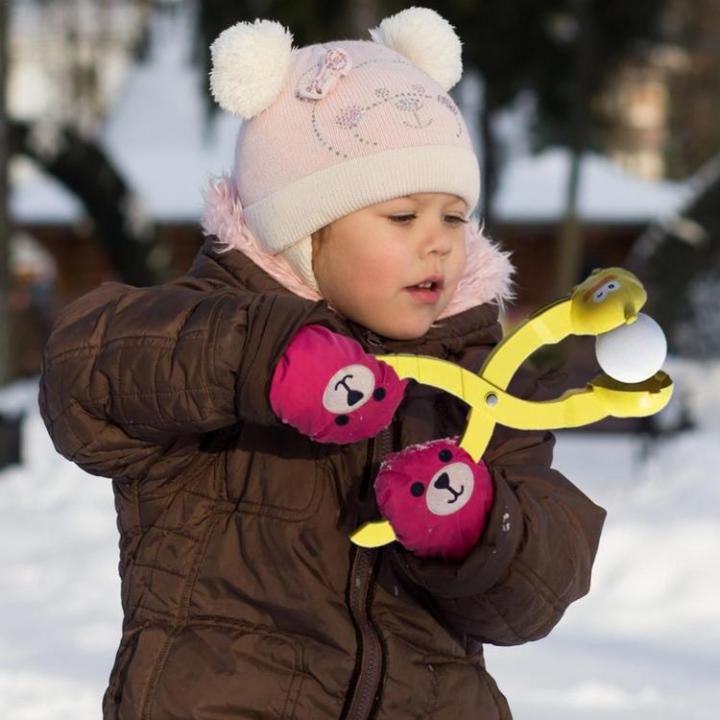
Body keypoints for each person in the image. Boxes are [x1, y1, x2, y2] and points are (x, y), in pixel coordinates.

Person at [38, 7, 606, 719]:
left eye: (454, 217)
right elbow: (86, 372)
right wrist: (263, 358)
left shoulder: (480, 379)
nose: (438, 243)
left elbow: (535, 598)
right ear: (303, 233)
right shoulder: (209, 333)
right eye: (402, 217)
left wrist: (478, 525)